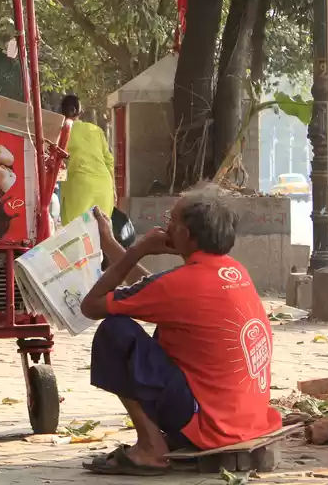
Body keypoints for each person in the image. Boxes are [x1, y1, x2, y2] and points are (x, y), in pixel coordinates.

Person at [79, 186, 281, 475]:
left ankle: (150, 449)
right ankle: (161, 439)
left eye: (171, 221)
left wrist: (138, 250)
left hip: (210, 426)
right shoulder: (233, 271)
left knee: (115, 331)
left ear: (186, 235)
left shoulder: (180, 285)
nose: (165, 227)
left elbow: (92, 305)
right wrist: (112, 245)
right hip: (242, 420)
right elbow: (155, 290)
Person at [59, 95, 116, 224]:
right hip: (104, 186)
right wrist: (113, 189)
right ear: (81, 112)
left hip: (79, 188)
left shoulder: (61, 132)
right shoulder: (95, 130)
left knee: (76, 236)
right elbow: (109, 161)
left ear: (61, 112)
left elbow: (59, 165)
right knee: (102, 235)